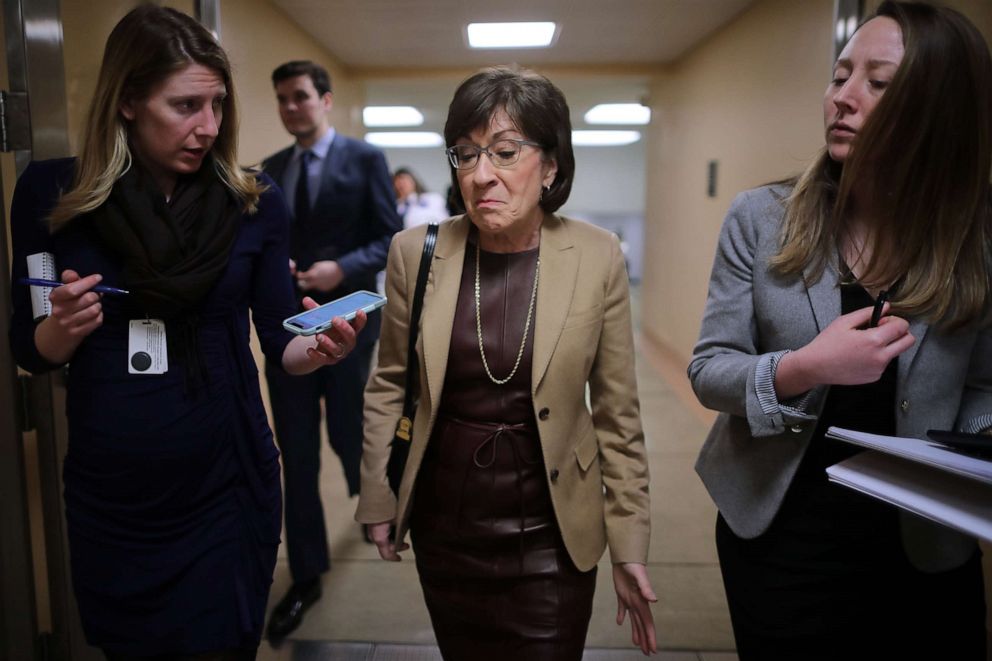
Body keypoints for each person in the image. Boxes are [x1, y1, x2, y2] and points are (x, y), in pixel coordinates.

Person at [8, 6, 364, 660]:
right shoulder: (48, 196)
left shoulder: (252, 200)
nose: (208, 128)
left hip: (227, 487)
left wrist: (318, 348)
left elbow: (280, 336)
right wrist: (60, 328)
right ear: (126, 102)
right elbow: (28, 346)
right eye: (185, 106)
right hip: (113, 497)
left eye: (218, 105)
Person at [688, 3, 991, 659]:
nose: (843, 99)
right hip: (783, 539)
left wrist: (980, 444)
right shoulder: (760, 218)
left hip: (924, 546)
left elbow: (984, 385)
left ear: (938, 107)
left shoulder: (979, 236)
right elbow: (710, 367)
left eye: (878, 84)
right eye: (840, 75)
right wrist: (804, 367)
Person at [357, 66, 658, 660]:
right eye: (465, 155)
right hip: (448, 528)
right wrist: (377, 495)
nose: (481, 174)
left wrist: (628, 543)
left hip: (552, 531)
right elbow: (389, 382)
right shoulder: (414, 254)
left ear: (549, 166)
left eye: (504, 152)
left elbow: (618, 415)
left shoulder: (596, 256)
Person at [261, 60, 401, 639]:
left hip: (349, 321)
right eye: (283, 100)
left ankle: (371, 496)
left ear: (325, 99)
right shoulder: (269, 171)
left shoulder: (364, 159)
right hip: (291, 329)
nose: (291, 107)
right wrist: (284, 268)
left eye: (300, 97)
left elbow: (390, 234)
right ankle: (308, 575)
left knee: (348, 430)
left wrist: (338, 268)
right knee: (296, 454)